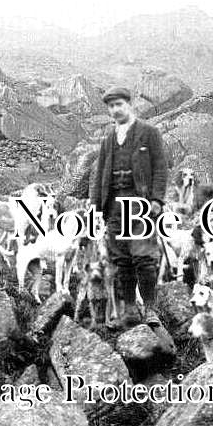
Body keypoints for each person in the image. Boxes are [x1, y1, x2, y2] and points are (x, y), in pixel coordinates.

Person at [89, 86, 169, 328]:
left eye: (119, 105)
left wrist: (156, 199)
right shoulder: (108, 140)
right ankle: (130, 311)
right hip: (114, 206)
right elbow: (100, 174)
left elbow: (160, 168)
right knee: (121, 259)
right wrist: (95, 206)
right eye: (111, 107)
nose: (115, 110)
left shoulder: (149, 133)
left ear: (129, 104)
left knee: (144, 257)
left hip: (139, 204)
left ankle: (151, 309)